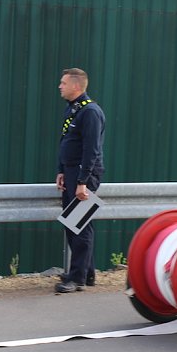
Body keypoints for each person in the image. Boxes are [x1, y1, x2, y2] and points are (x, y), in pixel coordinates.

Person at [54, 68, 105, 293]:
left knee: (80, 226)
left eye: (63, 83)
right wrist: (62, 170)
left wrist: (83, 181)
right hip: (72, 172)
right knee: (73, 223)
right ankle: (87, 272)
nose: (60, 86)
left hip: (84, 174)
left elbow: (91, 150)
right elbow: (68, 141)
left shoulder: (90, 112)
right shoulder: (74, 110)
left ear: (76, 86)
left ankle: (77, 279)